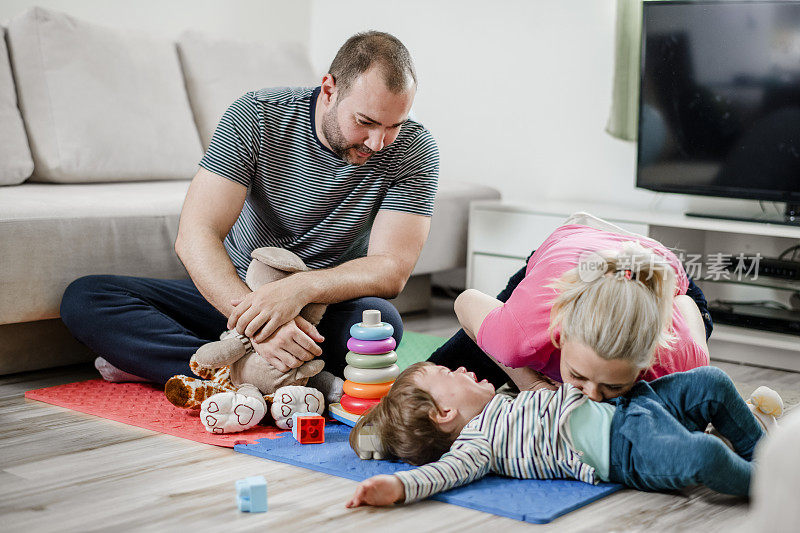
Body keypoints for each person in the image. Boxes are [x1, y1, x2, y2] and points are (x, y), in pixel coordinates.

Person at [59, 31, 439, 391]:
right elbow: (196, 235)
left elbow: (390, 269)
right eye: (365, 122)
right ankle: (249, 371)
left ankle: (199, 364)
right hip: (235, 297)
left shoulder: (414, 150)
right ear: (329, 90)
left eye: (394, 126)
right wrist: (262, 324)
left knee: (379, 325)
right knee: (87, 298)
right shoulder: (256, 115)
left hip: (319, 312)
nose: (378, 142)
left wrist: (297, 290)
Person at [345, 362, 779, 508]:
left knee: (712, 382)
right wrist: (397, 486)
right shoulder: (475, 445)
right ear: (444, 412)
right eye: (446, 373)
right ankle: (777, 486)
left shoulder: (507, 398)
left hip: (629, 402)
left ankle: (772, 455)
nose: (458, 367)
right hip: (626, 449)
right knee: (702, 455)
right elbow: (441, 475)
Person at [429, 215, 713, 401]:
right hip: (567, 251)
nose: (591, 396)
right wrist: (532, 385)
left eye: (613, 386)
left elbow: (685, 302)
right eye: (578, 375)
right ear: (559, 337)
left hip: (655, 272)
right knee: (433, 383)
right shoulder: (524, 331)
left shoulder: (679, 363)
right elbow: (465, 301)